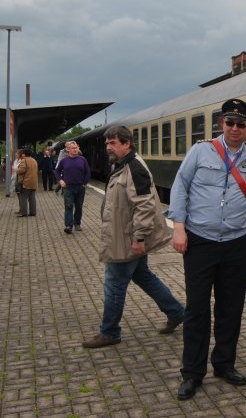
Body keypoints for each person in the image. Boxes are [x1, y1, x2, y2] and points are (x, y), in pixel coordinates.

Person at [169, 98, 246, 401]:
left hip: (234, 243)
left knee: (230, 308)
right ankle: (192, 374)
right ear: (222, 124)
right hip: (201, 241)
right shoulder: (200, 151)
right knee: (197, 309)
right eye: (229, 122)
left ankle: (224, 364)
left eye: (241, 124)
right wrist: (178, 226)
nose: (234, 128)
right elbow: (180, 186)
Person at [82, 126, 185, 348]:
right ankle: (176, 312)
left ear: (127, 143)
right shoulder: (122, 165)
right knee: (143, 276)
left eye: (113, 143)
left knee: (114, 285)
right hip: (123, 235)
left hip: (128, 239)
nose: (108, 147)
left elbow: (145, 206)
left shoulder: (134, 168)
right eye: (107, 143)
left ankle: (110, 332)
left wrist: (139, 239)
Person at [55, 141, 91, 234]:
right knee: (69, 206)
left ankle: (77, 223)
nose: (75, 150)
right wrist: (60, 180)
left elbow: (87, 172)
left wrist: (84, 183)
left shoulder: (83, 160)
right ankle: (68, 226)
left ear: (78, 148)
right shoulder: (64, 161)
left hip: (80, 187)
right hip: (68, 188)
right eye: (73, 148)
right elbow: (57, 171)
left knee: (79, 207)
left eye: (76, 148)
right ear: (68, 150)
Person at [16, 148, 38, 217]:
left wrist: (17, 170)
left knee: (23, 197)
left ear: (24, 154)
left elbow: (21, 170)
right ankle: (33, 212)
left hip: (26, 182)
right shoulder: (34, 160)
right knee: (32, 198)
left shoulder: (24, 160)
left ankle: (24, 213)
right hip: (34, 182)